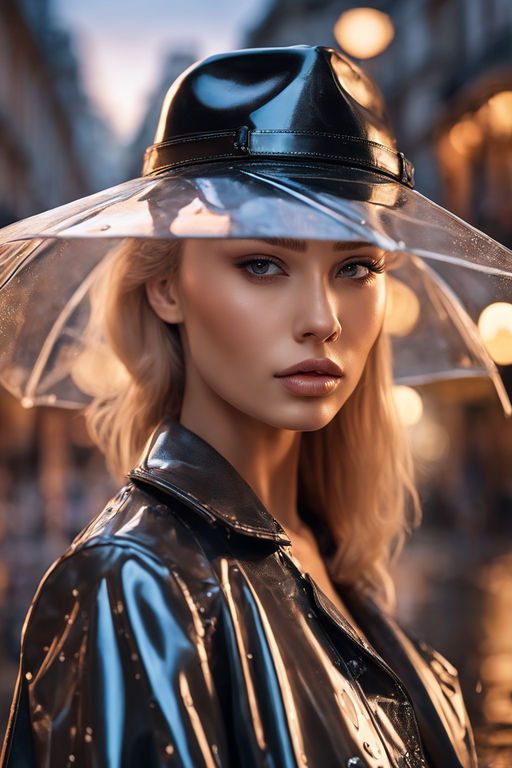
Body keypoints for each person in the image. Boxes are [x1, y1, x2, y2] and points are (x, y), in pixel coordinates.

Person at [1, 44, 494, 767]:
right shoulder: (134, 585)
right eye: (262, 263)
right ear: (165, 287)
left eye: (356, 267)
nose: (323, 317)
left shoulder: (333, 564)